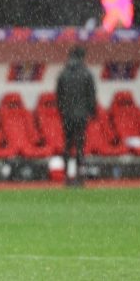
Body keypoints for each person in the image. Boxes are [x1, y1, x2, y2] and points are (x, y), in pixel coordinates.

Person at [56, 46, 96, 187]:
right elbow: (91, 96)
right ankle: (80, 177)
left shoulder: (63, 74)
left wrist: (63, 112)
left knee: (67, 146)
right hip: (81, 116)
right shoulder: (86, 74)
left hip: (67, 115)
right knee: (80, 147)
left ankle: (67, 176)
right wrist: (92, 113)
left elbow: (59, 97)